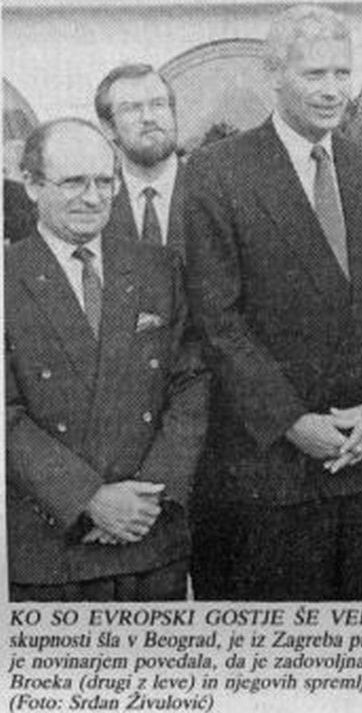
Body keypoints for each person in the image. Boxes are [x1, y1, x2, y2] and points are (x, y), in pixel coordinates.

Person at [183, 4, 362, 601]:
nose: (333, 90)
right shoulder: (217, 172)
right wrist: (292, 422)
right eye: (315, 74)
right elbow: (217, 321)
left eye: (342, 73)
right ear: (274, 75)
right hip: (268, 475)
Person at [5, 118, 208, 601]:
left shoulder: (158, 267)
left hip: (150, 539)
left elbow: (191, 382)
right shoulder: (7, 276)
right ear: (31, 184)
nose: (93, 197)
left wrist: (150, 495)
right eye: (73, 182)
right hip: (51, 549)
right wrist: (88, 498)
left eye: (104, 181)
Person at [95, 64, 187, 257]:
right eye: (131, 109)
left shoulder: (211, 191)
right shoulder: (97, 204)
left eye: (158, 104)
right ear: (108, 128)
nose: (148, 118)